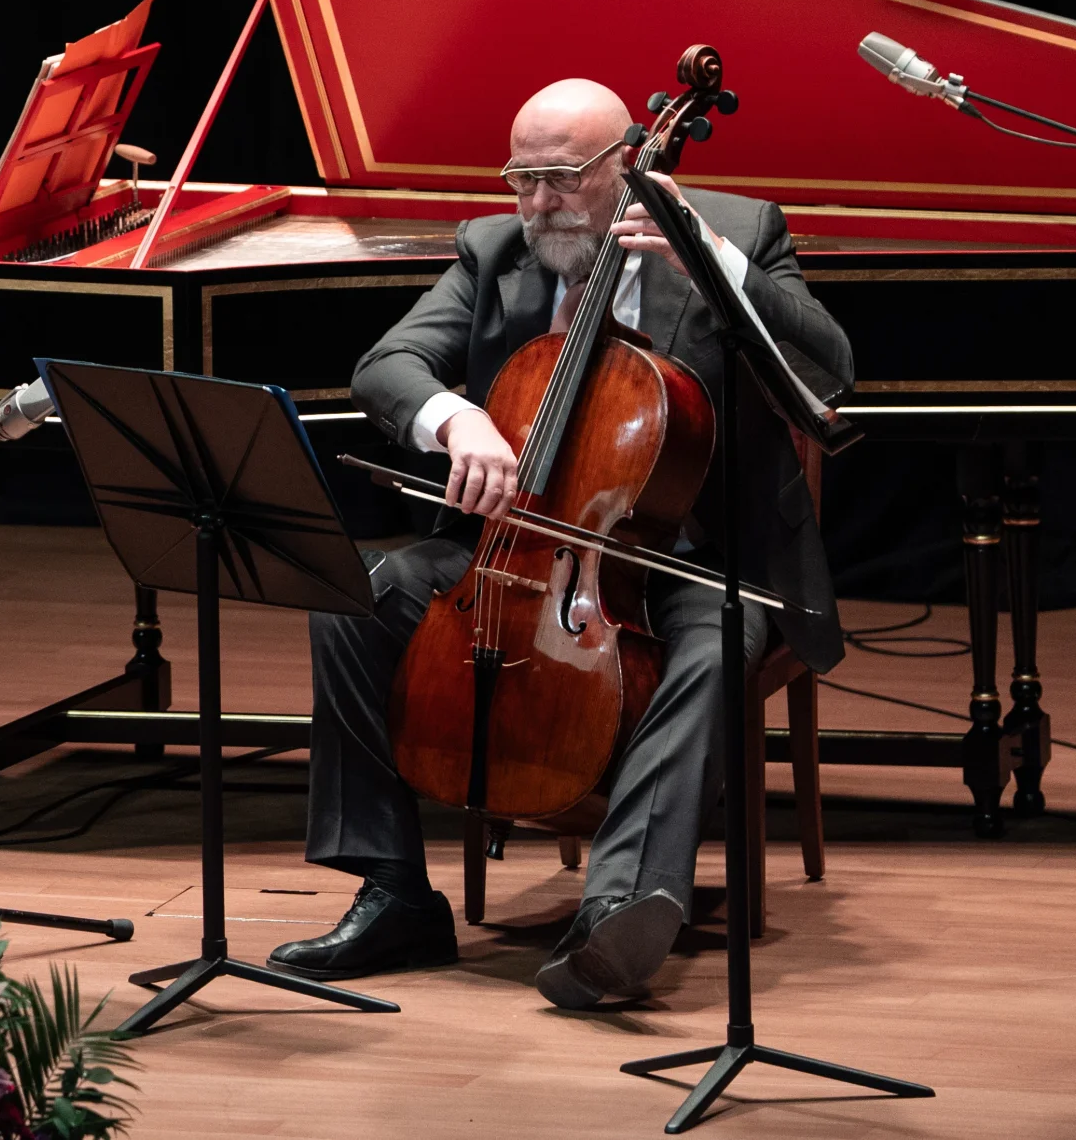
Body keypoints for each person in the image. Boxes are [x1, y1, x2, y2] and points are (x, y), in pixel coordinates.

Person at [267, 77, 852, 1008]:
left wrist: (714, 264)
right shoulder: (493, 249)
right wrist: (457, 421)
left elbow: (830, 367)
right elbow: (387, 367)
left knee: (710, 649)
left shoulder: (738, 230)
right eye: (522, 178)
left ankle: (619, 904)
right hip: (526, 548)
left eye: (564, 178)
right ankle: (394, 892)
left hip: (698, 555)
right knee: (356, 596)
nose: (539, 202)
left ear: (626, 161)